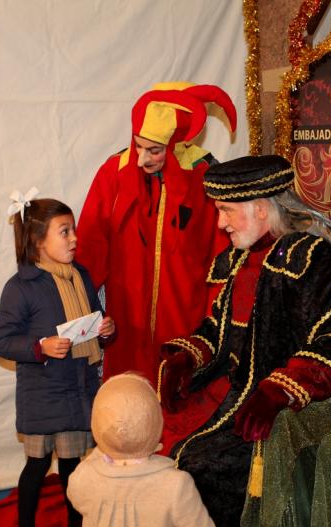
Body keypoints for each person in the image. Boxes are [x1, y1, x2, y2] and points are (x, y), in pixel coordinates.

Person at [159, 155, 331, 527]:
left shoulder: (309, 258)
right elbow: (219, 328)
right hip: (233, 395)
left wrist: (277, 392)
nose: (220, 223)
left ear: (260, 209)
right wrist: (187, 358)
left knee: (202, 467)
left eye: (225, 210)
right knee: (166, 444)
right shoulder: (240, 261)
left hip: (282, 409)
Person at [75, 82, 235, 386]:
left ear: (175, 146)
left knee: (178, 396)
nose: (141, 159)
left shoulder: (204, 177)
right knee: (126, 401)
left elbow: (222, 255)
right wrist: (78, 308)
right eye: (137, 145)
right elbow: (91, 247)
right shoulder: (114, 173)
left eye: (154, 150)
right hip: (126, 321)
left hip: (184, 317)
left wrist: (215, 322)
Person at [0, 192, 115, 527]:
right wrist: (40, 346)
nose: (74, 238)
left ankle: (76, 526)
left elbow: (95, 319)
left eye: (73, 230)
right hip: (43, 393)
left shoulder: (81, 276)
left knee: (73, 467)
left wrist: (105, 330)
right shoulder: (21, 287)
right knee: (37, 464)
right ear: (37, 241)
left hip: (78, 388)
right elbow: (0, 341)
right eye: (64, 231)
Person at [67, 373, 217, 527]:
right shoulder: (176, 484)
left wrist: (108, 440)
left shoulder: (86, 476)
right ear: (156, 421)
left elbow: (75, 496)